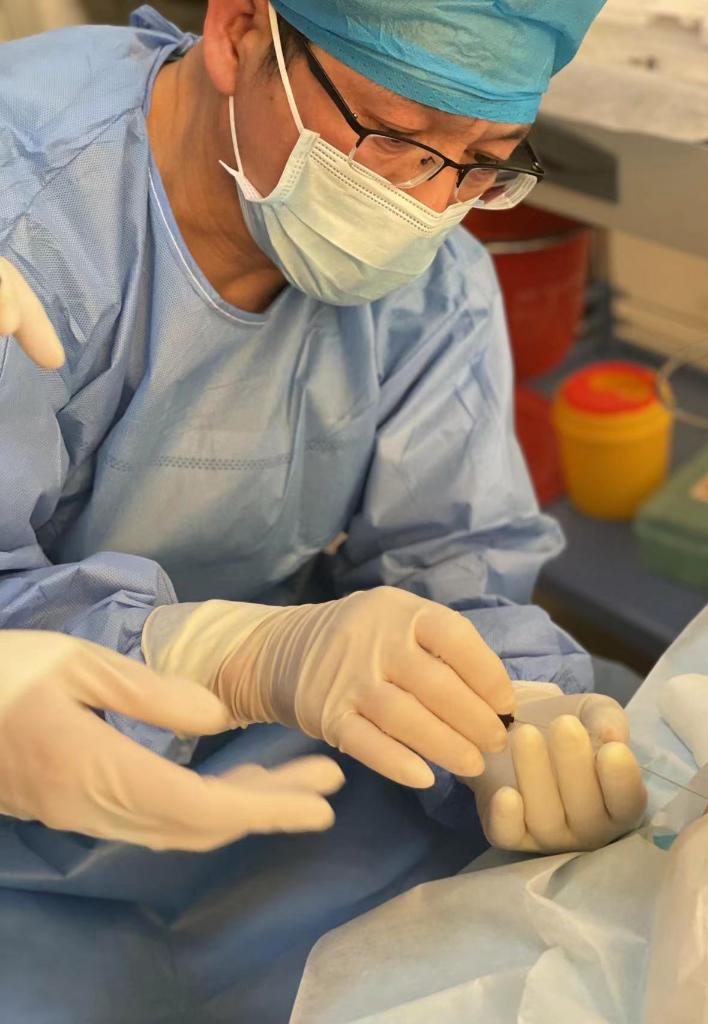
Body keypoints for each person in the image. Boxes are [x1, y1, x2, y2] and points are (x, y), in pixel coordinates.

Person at [0, 2, 646, 1019]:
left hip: (290, 752)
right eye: (394, 134)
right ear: (239, 34)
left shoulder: (435, 284)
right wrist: (225, 653)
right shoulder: (32, 223)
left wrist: (513, 727)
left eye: (484, 161)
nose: (425, 203)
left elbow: (459, 565)